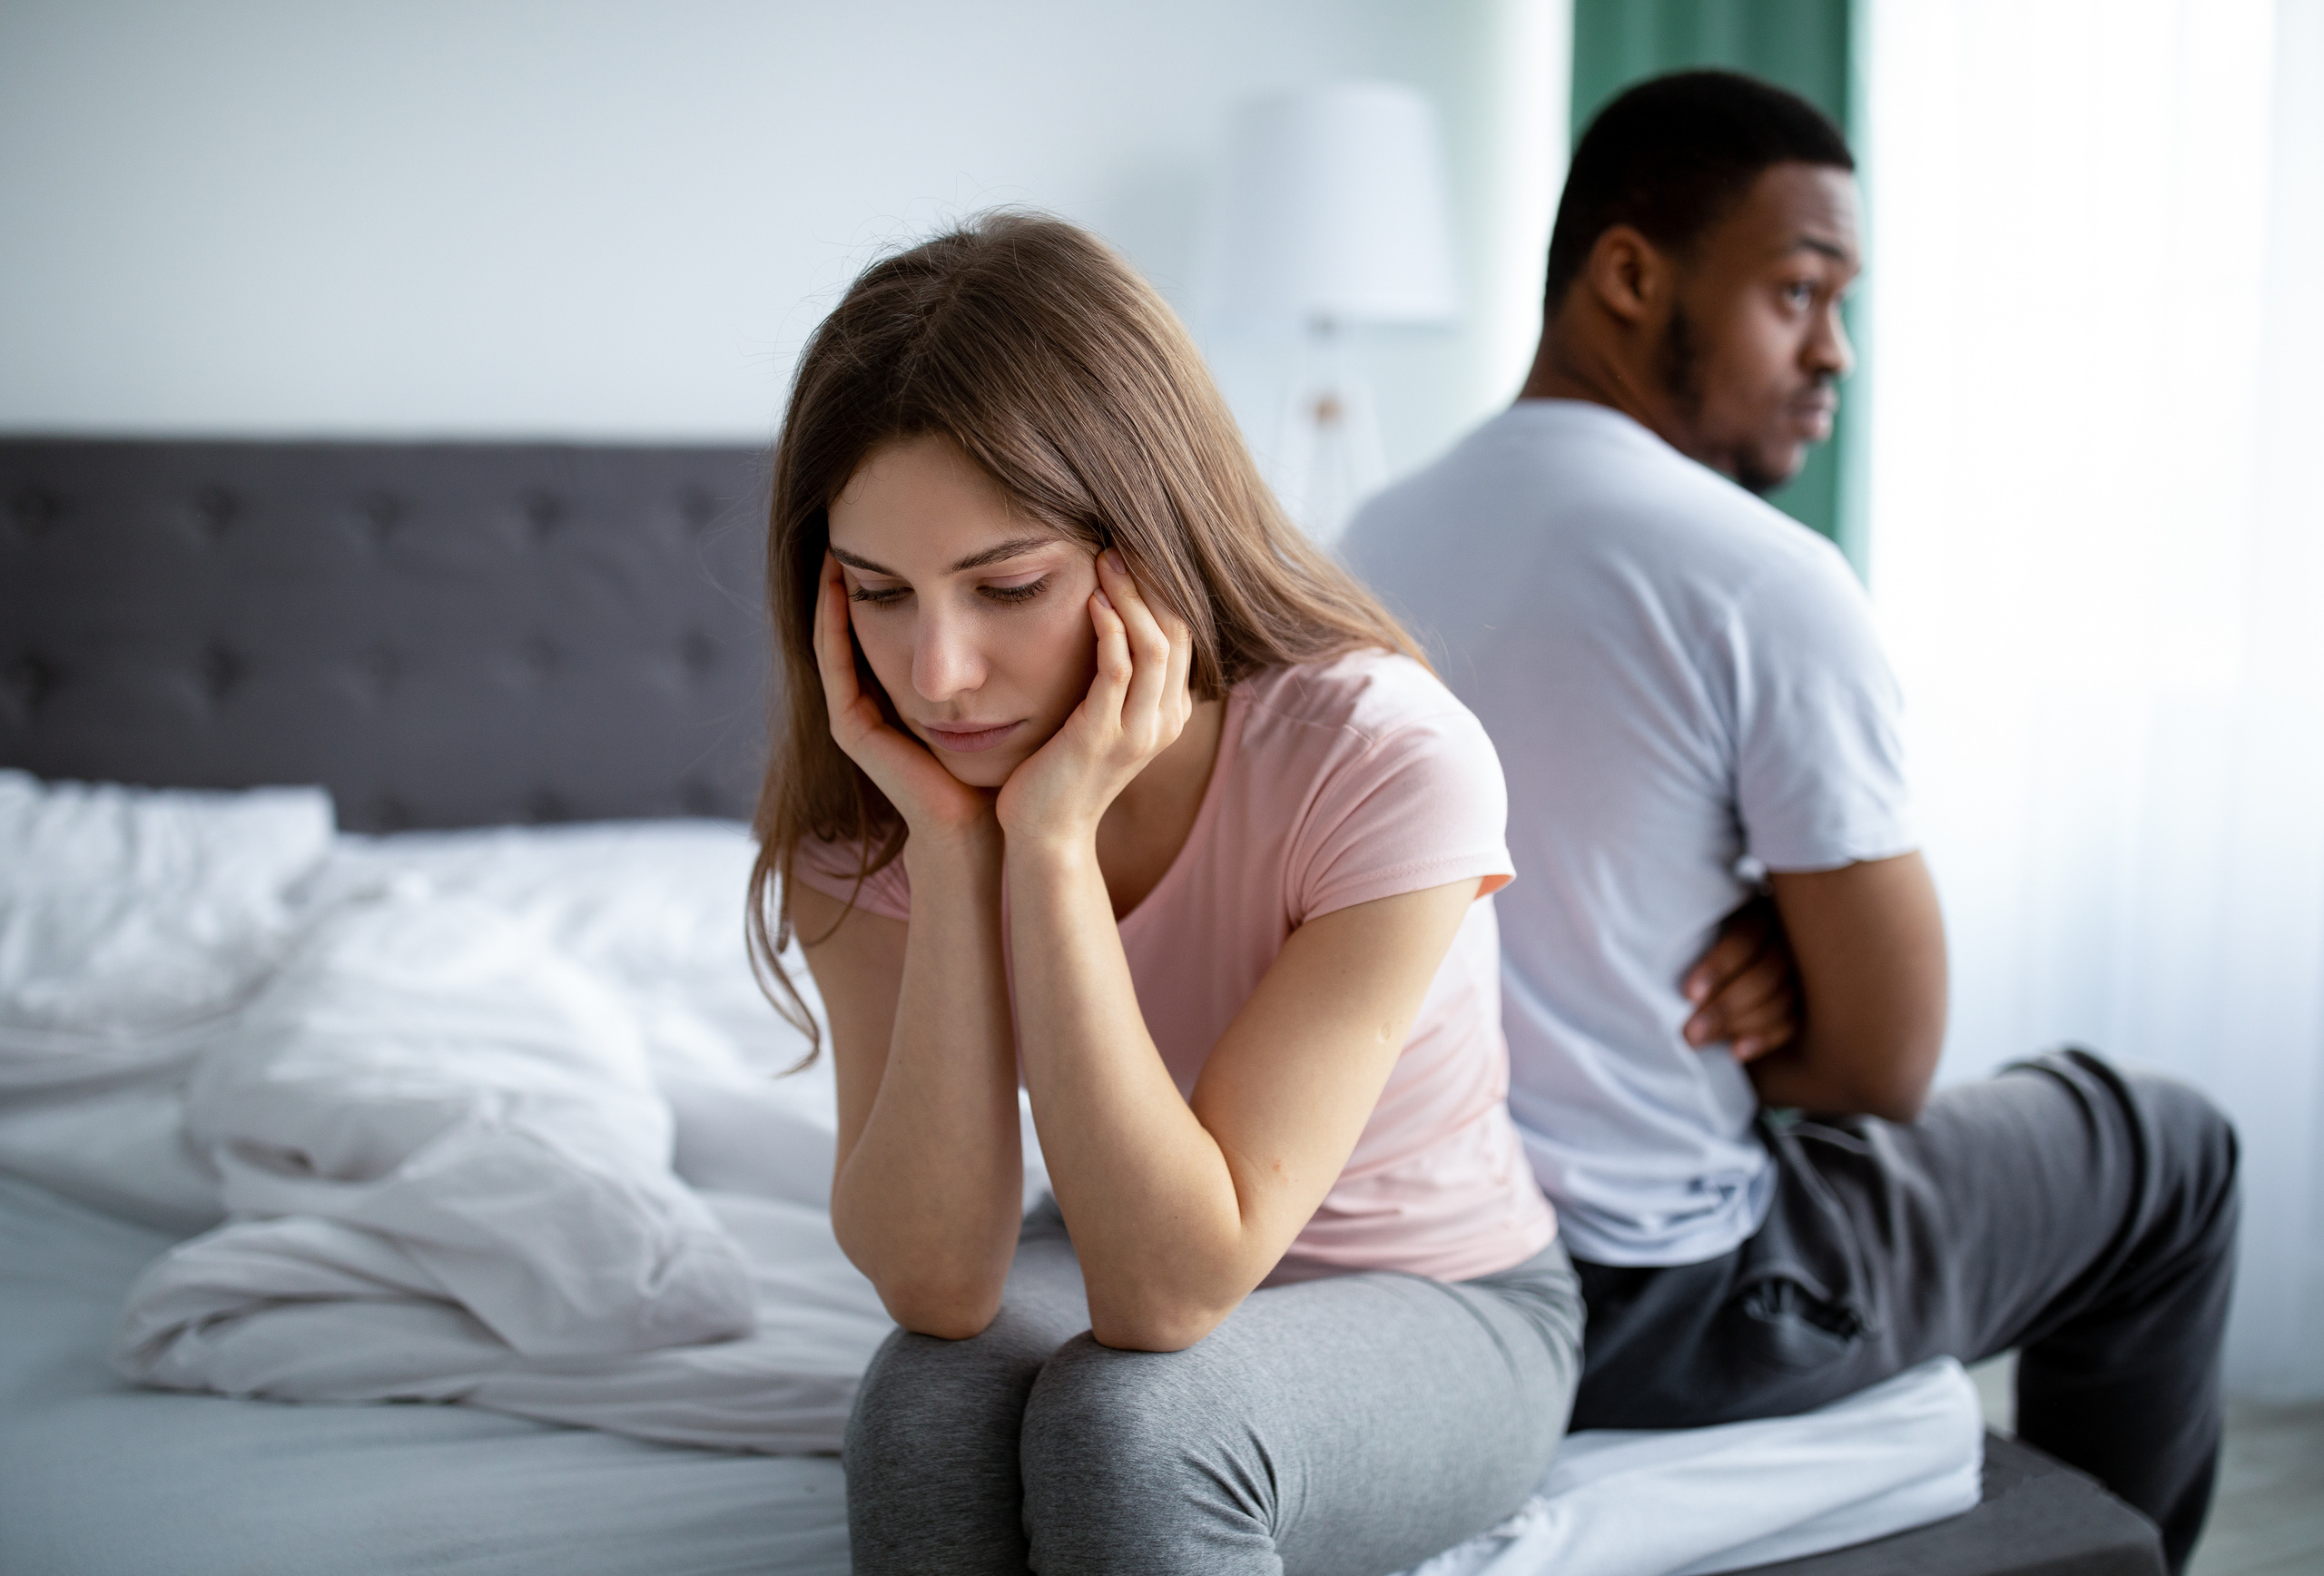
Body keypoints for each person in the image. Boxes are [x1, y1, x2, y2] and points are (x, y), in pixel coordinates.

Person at [1343, 71, 2239, 1573]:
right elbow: (1879, 1067)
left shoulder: (1366, 538)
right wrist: (1787, 955)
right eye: (1797, 290)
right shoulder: (1759, 577)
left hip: (1428, 1280)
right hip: (1672, 1302)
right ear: (1629, 275)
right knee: (2173, 1148)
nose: (1835, 353)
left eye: (1843, 302)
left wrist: (1722, 925)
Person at [744, 212, 1580, 1576]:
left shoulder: (1380, 761)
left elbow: (1165, 1292)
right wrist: (955, 857)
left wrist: (1056, 847)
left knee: (1139, 1431)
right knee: (924, 1406)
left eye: (1005, 585)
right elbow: (940, 1284)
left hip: (1436, 1296)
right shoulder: (869, 806)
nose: (937, 670)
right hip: (1108, 1221)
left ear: (1146, 545)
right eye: (879, 594)